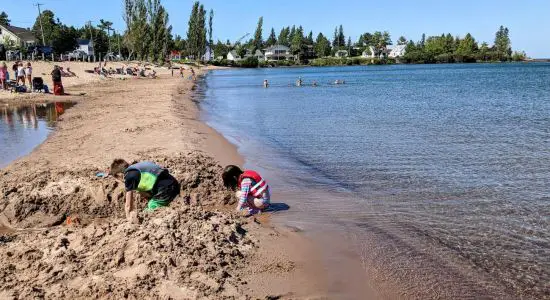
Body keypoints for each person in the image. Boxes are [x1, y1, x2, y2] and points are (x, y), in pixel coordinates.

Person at [110, 159, 181, 221]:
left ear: (119, 174)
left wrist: (128, 218)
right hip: (172, 183)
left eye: (118, 179)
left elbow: (128, 205)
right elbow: (143, 189)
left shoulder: (128, 176)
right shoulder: (136, 169)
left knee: (149, 209)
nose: (121, 181)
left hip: (167, 188)